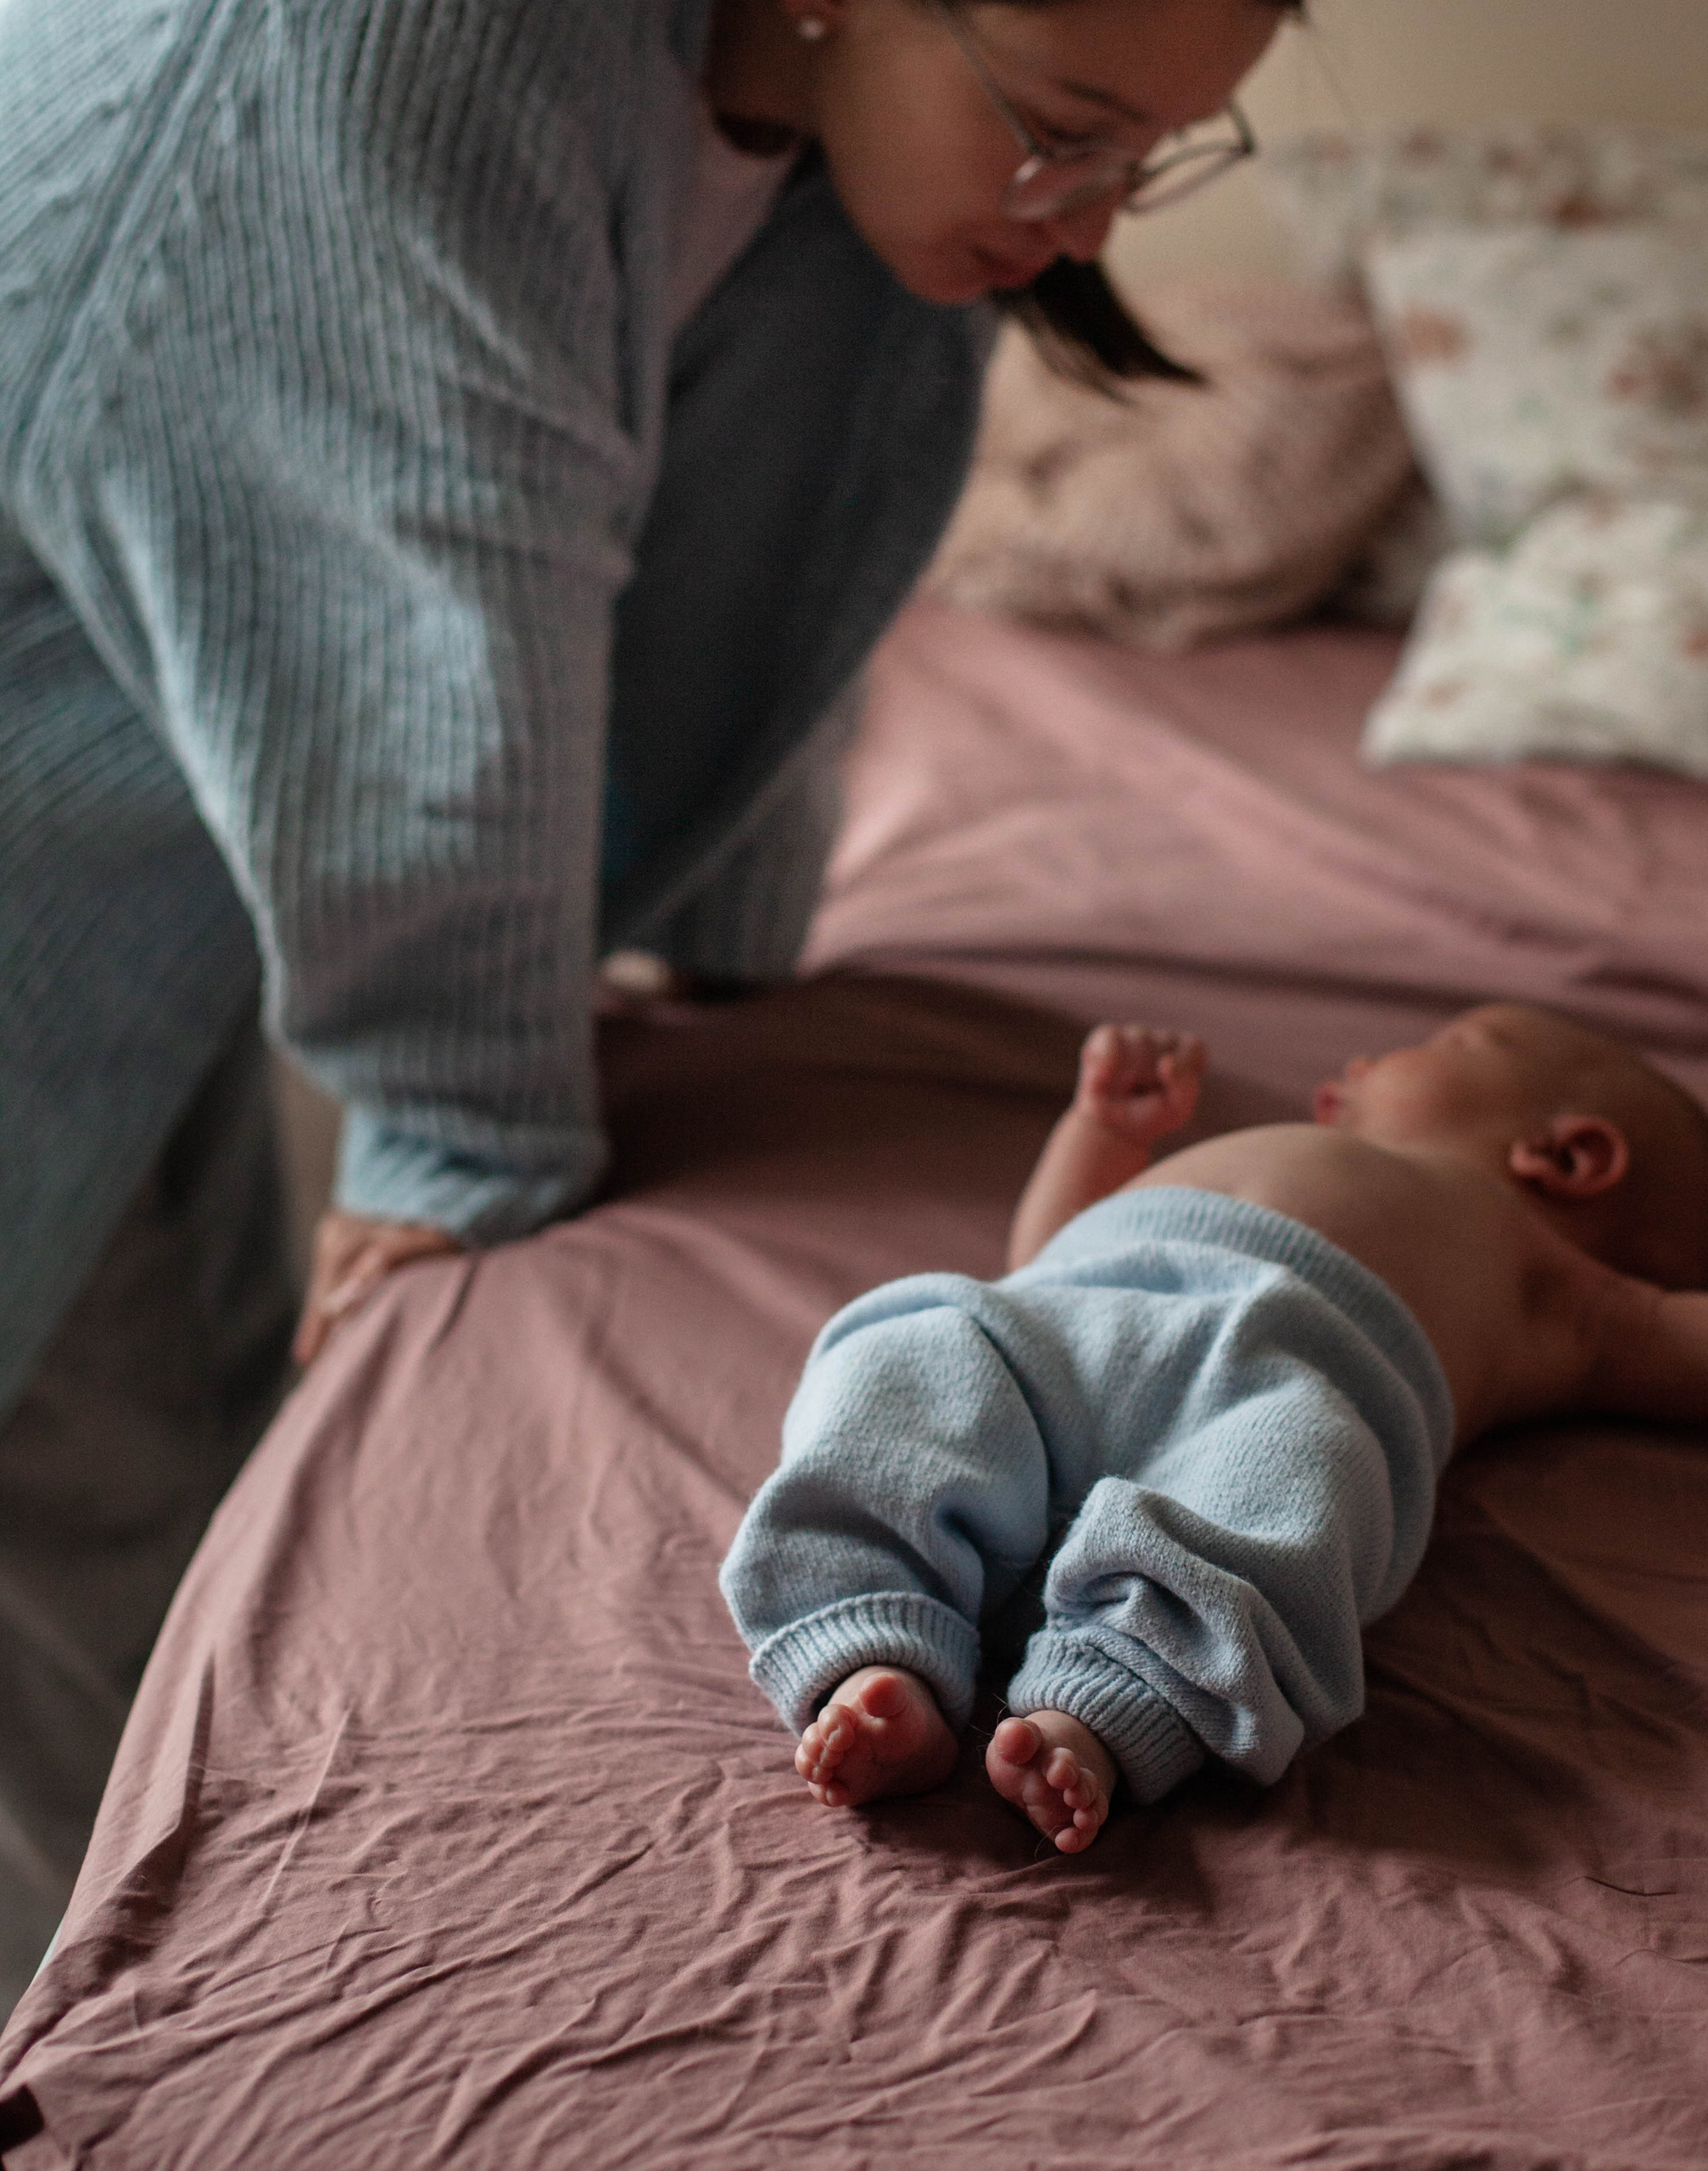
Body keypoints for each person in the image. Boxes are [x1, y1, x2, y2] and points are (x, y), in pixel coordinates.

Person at [0, 0, 1290, 2001]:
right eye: (1066, 130)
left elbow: (755, 553)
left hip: (149, 853)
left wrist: (725, 956)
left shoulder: (831, 149)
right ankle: (112, 2030)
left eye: (1158, 154)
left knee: (170, 1464)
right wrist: (464, 1121)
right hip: (50, 843)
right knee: (82, 1484)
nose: (1089, 216)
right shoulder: (383, 51)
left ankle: (157, 1958)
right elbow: (420, 619)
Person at [722, 1004, 1708, 1852]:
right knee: (906, 1352)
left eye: (1439, 1045)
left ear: (1564, 1154)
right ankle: (875, 1647)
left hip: (1287, 1389)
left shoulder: (1564, 1288)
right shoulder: (1295, 1149)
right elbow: (1040, 1257)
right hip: (1071, 1321)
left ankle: (1099, 1706)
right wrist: (1104, 1137)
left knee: (1297, 1489)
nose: (1358, 1060)